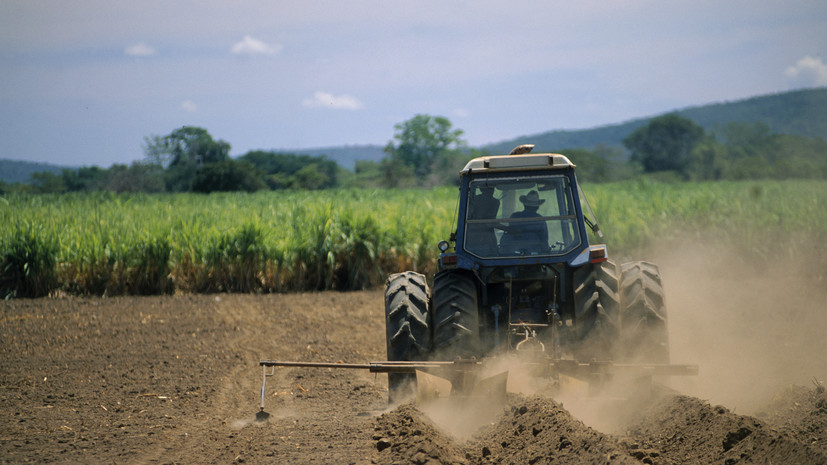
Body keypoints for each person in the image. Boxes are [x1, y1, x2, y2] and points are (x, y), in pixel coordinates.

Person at [499, 190, 549, 254]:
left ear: (524, 205)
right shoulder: (540, 219)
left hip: (511, 254)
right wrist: (547, 250)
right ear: (537, 206)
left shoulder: (514, 216)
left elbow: (511, 231)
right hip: (534, 256)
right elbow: (544, 241)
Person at [465, 186, 500, 256]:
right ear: (482, 189)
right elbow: (490, 222)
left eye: (492, 188)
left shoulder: (473, 200)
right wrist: (509, 229)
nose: (492, 191)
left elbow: (490, 221)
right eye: (489, 189)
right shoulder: (494, 202)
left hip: (471, 238)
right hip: (485, 239)